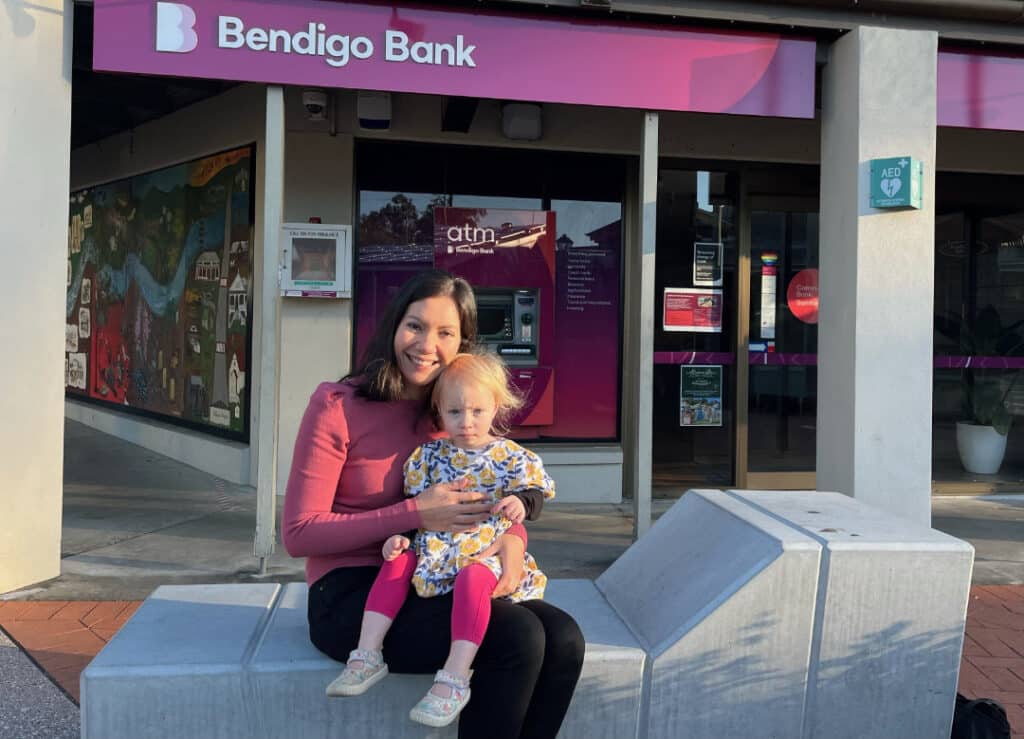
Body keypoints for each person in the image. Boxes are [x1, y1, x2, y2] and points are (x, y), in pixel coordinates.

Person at [282, 270, 584, 739]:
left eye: (446, 333)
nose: (426, 345)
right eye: (415, 325)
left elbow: (495, 495)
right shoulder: (337, 405)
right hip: (352, 597)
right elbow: (299, 533)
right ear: (392, 326)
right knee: (517, 638)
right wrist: (415, 514)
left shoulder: (454, 414)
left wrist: (512, 542)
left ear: (463, 344)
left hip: (440, 576)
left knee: (564, 638)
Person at [326, 352, 556, 728]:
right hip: (435, 546)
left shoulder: (511, 457)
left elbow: (535, 493)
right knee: (397, 562)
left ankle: (454, 676)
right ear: (439, 411)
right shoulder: (429, 456)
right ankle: (367, 653)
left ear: (496, 407)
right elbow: (414, 505)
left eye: (477, 412)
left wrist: (520, 503)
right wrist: (399, 536)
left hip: (483, 548)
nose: (466, 423)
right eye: (455, 413)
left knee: (474, 578)